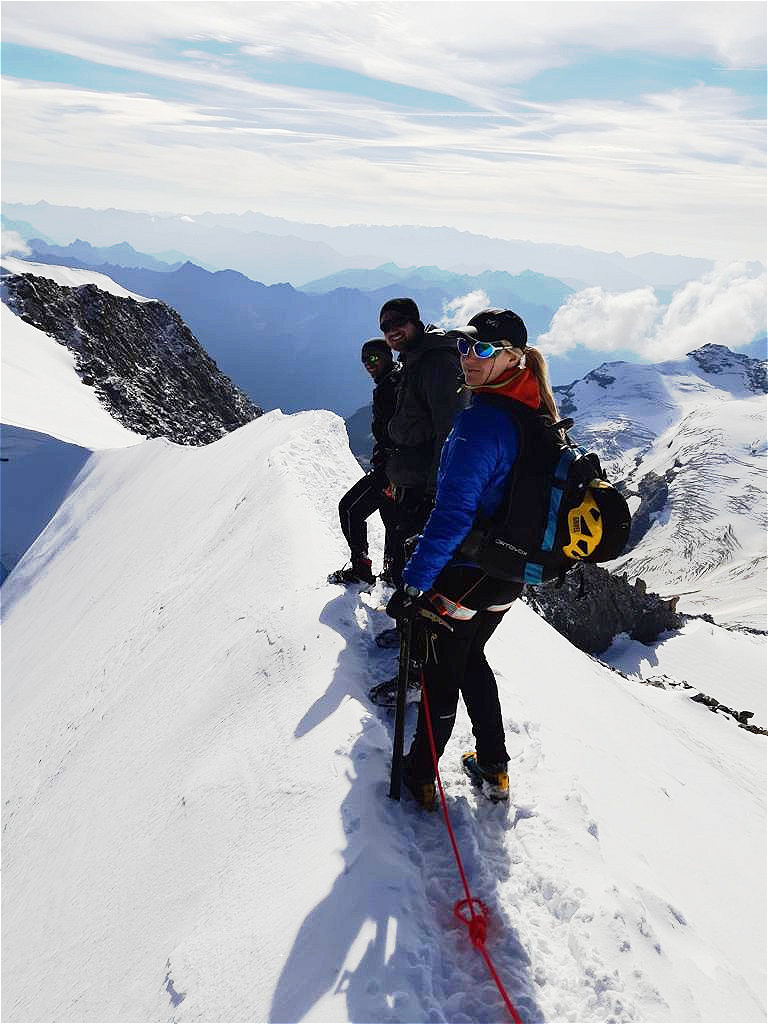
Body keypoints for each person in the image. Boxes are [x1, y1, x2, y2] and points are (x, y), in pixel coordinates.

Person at [385, 308, 562, 810]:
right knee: (471, 660)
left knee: (440, 677)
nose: (469, 358)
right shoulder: (536, 411)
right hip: (508, 577)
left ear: (513, 356)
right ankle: (494, 766)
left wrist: (414, 584)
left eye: (484, 350)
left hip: (466, 573)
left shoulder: (479, 424)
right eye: (466, 346)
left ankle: (420, 775)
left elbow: (452, 515)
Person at [367, 297, 465, 701]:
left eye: (400, 323)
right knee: (410, 577)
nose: (392, 330)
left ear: (415, 322)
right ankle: (408, 640)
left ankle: (416, 673)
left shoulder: (435, 363)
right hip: (415, 485)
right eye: (386, 325)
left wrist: (438, 492)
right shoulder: (416, 358)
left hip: (429, 492)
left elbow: (448, 430)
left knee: (423, 587)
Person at [329, 339, 401, 585]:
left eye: (373, 358)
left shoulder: (390, 386)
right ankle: (393, 576)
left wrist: (391, 473)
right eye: (364, 360)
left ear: (386, 356)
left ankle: (362, 570)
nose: (369, 364)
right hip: (402, 471)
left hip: (390, 470)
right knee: (393, 524)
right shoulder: (396, 380)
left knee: (350, 509)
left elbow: (398, 432)